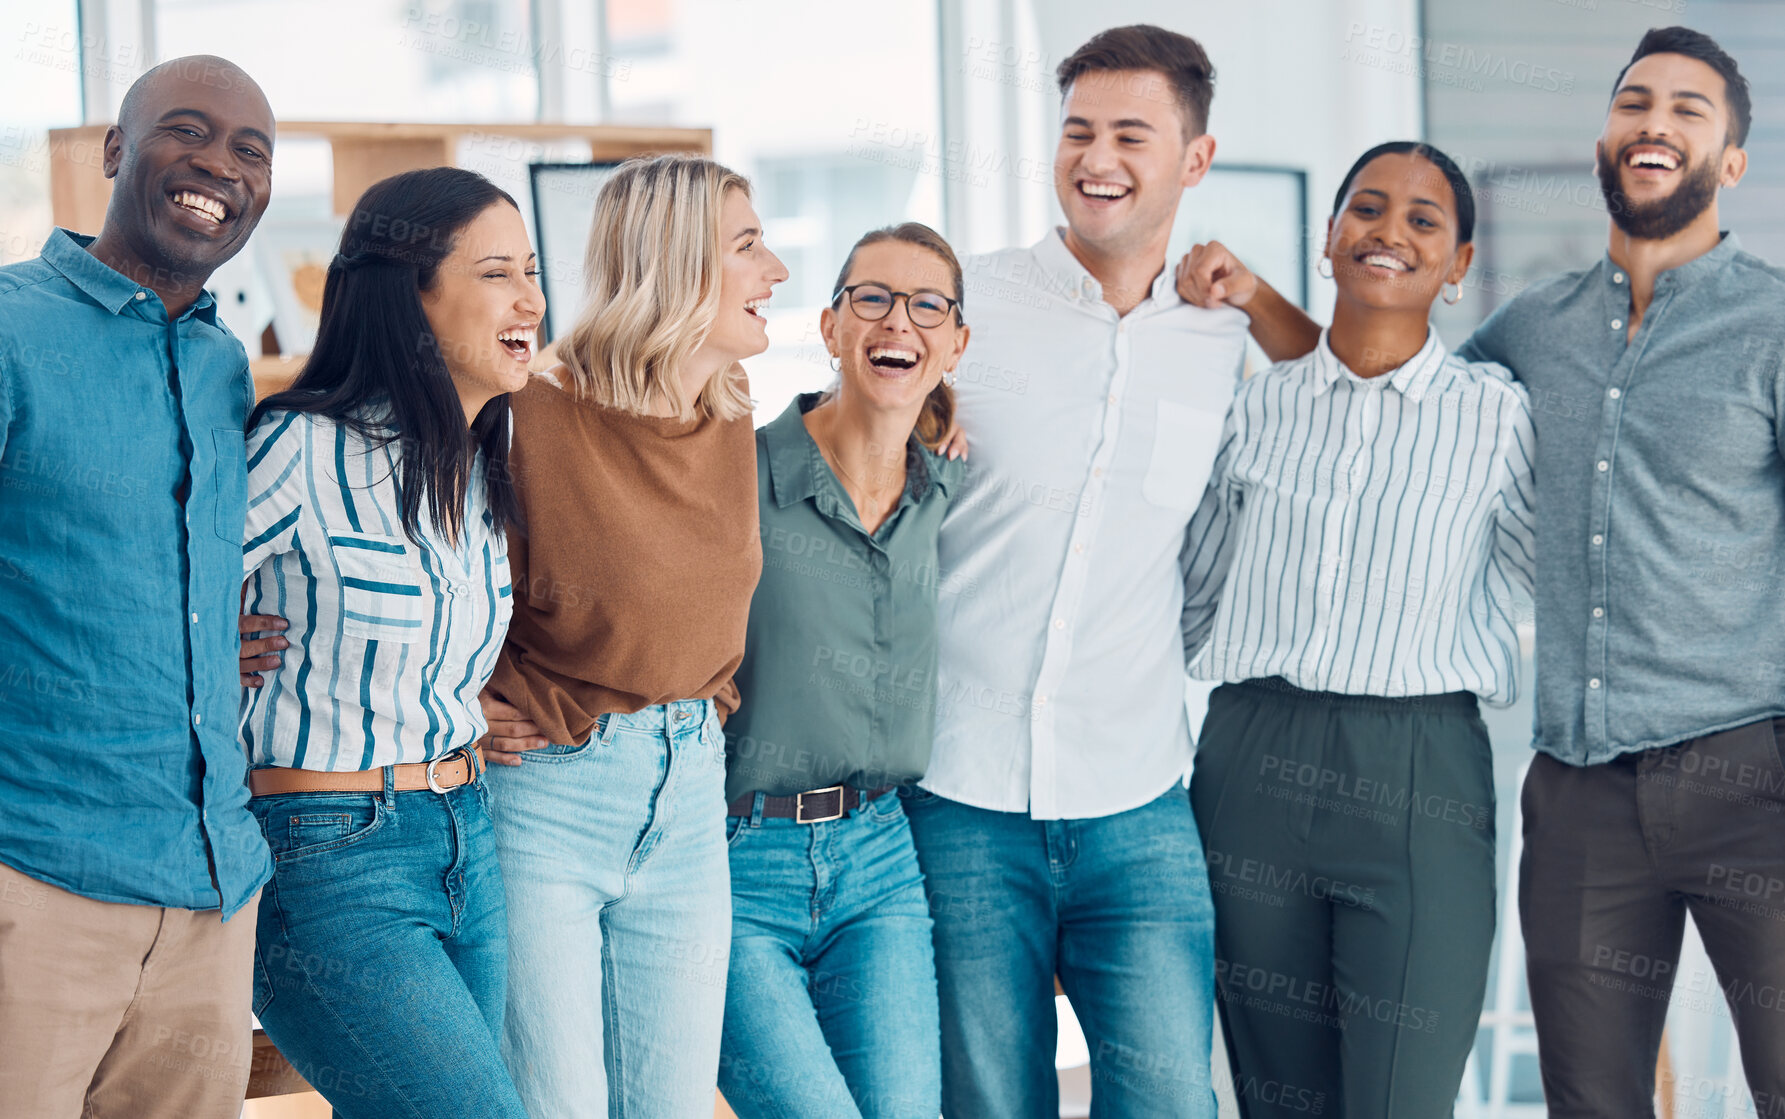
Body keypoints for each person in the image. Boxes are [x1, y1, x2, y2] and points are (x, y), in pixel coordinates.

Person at [1181, 26, 1785, 1117]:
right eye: (1636, 101)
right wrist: (1264, 306)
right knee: (1579, 1099)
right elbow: (1379, 395)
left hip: (1744, 768)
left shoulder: (1771, 325)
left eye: (1689, 111)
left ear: (1730, 163)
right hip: (1572, 785)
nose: (1656, 122)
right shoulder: (1527, 337)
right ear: (1605, 135)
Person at [903, 25, 1247, 1118]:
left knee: (1169, 1102)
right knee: (987, 1105)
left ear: (1194, 160)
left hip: (1137, 802)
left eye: (1132, 135)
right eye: (1078, 131)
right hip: (958, 793)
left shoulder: (1225, 342)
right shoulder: (965, 308)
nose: (1097, 158)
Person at [1179, 141, 1534, 1118]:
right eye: (1367, 209)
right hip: (1250, 761)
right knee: (1278, 1099)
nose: (1390, 231)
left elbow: (1568, 579)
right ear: (1329, 237)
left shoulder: (1500, 424)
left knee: (1400, 1102)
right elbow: (1191, 593)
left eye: (1424, 220)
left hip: (1419, 777)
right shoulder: (1251, 413)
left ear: (1458, 264)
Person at [475, 153, 785, 1118]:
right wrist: (452, 702)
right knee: (556, 1105)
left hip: (691, 790)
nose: (773, 269)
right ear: (673, 263)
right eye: (745, 245)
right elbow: (429, 575)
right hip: (547, 797)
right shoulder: (527, 411)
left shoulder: (728, 410)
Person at [0, 56, 278, 1118]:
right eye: (187, 131)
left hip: (210, 891)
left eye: (249, 152)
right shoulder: (12, 330)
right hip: (36, 877)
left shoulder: (222, 365)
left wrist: (203, 640)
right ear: (117, 151)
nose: (218, 165)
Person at [234, 166, 539, 1118]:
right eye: (498, 273)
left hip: (463, 834)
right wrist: (198, 644)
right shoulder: (301, 446)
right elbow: (153, 604)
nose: (531, 298)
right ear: (411, 295)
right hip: (326, 854)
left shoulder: (481, 459)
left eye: (532, 271)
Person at [716, 222, 969, 1119]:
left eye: (925, 304)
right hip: (738, 861)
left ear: (954, 341)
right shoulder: (735, 474)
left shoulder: (944, 492)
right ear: (830, 327)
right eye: (872, 298)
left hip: (879, 857)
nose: (896, 321)